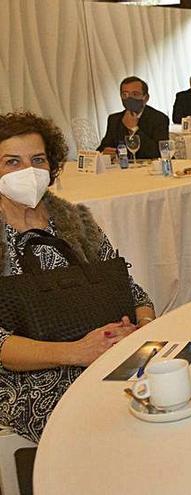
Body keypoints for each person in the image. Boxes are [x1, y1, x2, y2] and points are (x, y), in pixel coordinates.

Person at [0, 112, 155, 442]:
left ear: (52, 166)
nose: (28, 171)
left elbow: (130, 289)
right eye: (12, 162)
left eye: (37, 160)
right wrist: (76, 352)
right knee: (115, 429)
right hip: (31, 378)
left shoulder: (75, 221)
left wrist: (139, 328)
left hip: (107, 352)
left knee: (174, 390)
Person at [98, 76, 169, 159]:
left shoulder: (159, 118)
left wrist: (134, 129)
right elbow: (102, 148)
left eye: (135, 94)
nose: (129, 98)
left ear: (145, 98)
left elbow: (159, 152)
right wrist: (105, 153)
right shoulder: (114, 119)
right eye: (125, 94)